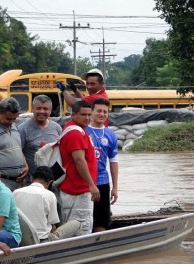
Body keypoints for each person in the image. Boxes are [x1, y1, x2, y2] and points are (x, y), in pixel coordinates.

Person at [58, 101, 99, 235]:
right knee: (81, 228)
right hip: (78, 190)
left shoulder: (77, 130)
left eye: (89, 114)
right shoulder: (75, 133)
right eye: (83, 115)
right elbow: (79, 160)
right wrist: (91, 185)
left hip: (75, 188)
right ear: (73, 115)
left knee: (72, 226)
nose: (87, 118)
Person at [13, 166, 81, 242]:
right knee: (76, 224)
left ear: (32, 178)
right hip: (41, 241)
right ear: (50, 182)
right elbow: (53, 225)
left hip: (20, 239)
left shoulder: (16, 192)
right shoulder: (49, 195)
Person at [86, 98, 119, 232]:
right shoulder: (83, 131)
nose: (102, 114)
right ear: (92, 112)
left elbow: (113, 162)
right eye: (99, 111)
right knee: (86, 220)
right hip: (85, 183)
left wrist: (115, 187)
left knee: (101, 221)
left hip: (102, 182)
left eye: (105, 112)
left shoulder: (111, 135)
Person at [18, 95, 62, 182]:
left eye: (45, 109)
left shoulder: (56, 127)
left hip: (53, 180)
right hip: (31, 181)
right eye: (38, 108)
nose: (42, 111)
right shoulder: (23, 129)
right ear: (32, 108)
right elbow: (18, 151)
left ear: (50, 110)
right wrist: (24, 166)